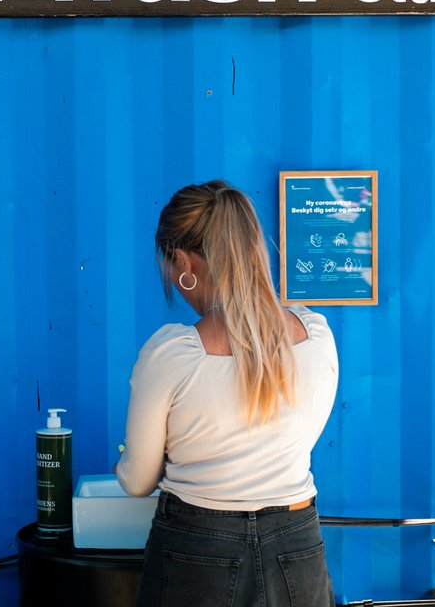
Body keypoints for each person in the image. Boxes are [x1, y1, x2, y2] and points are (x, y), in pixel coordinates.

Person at [115, 180, 339, 607]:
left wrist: (127, 460)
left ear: (182, 261)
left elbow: (137, 480)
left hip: (197, 553)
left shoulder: (171, 354)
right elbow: (297, 440)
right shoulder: (315, 337)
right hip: (296, 546)